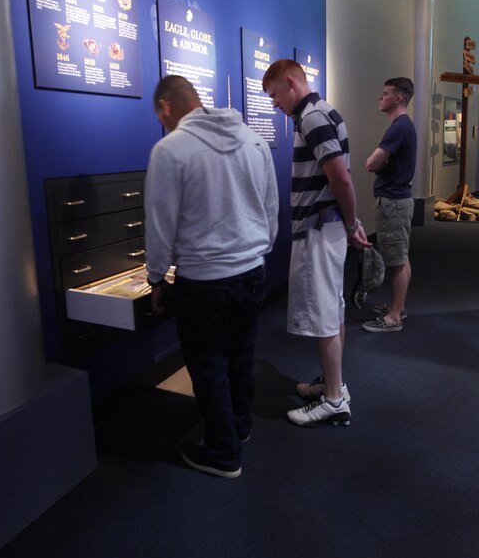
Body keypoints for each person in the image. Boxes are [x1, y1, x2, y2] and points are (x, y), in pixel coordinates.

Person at [144, 75, 279, 479]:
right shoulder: (254, 141)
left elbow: (160, 223)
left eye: (159, 117)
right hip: (252, 270)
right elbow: (271, 208)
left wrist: (155, 278)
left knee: (208, 366)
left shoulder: (171, 150)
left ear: (166, 108)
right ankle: (240, 426)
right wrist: (257, 251)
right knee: (240, 355)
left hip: (203, 279)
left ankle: (223, 453)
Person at [261, 59, 370, 428]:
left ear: (291, 82)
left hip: (319, 228)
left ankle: (335, 400)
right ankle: (332, 383)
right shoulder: (325, 112)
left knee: (324, 314)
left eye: (275, 94)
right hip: (329, 226)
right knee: (333, 309)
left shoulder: (311, 117)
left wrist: (352, 221)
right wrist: (349, 223)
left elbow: (341, 180)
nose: (274, 103)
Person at [362, 77, 416, 334]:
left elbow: (371, 163)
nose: (379, 97)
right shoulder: (403, 126)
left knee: (396, 260)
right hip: (398, 200)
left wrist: (380, 164)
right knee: (400, 258)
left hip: (393, 202)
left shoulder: (399, 127)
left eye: (385, 93)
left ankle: (394, 317)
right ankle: (398, 306)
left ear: (399, 98)